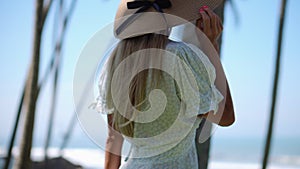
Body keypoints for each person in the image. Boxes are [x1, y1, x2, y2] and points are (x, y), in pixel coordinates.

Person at [93, 0, 235, 168]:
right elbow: (225, 117)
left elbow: (113, 139)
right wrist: (211, 47)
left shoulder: (115, 63)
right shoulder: (181, 57)